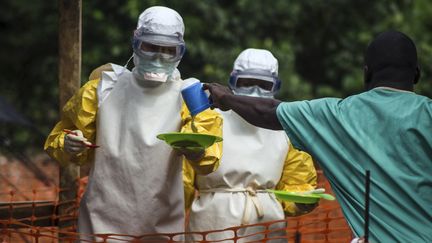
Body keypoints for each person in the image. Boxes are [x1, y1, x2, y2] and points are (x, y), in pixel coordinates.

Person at [203, 31, 432, 242]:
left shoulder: (336, 116)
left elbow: (268, 111)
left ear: (366, 73)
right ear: (417, 74)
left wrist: (225, 98)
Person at [44, 6, 222, 242]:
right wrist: (68, 143)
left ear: (180, 52)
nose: (158, 57)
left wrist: (199, 152)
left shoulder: (190, 95)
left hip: (162, 224)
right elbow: (62, 142)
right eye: (150, 47)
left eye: (168, 50)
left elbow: (210, 161)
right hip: (101, 220)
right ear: (136, 43)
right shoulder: (102, 88)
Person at [183, 48, 318, 242]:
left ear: (275, 86)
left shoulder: (285, 130)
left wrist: (302, 201)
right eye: (246, 83)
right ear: (232, 82)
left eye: (264, 84)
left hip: (266, 226)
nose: (255, 90)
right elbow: (184, 179)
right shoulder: (210, 118)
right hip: (213, 223)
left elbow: (296, 182)